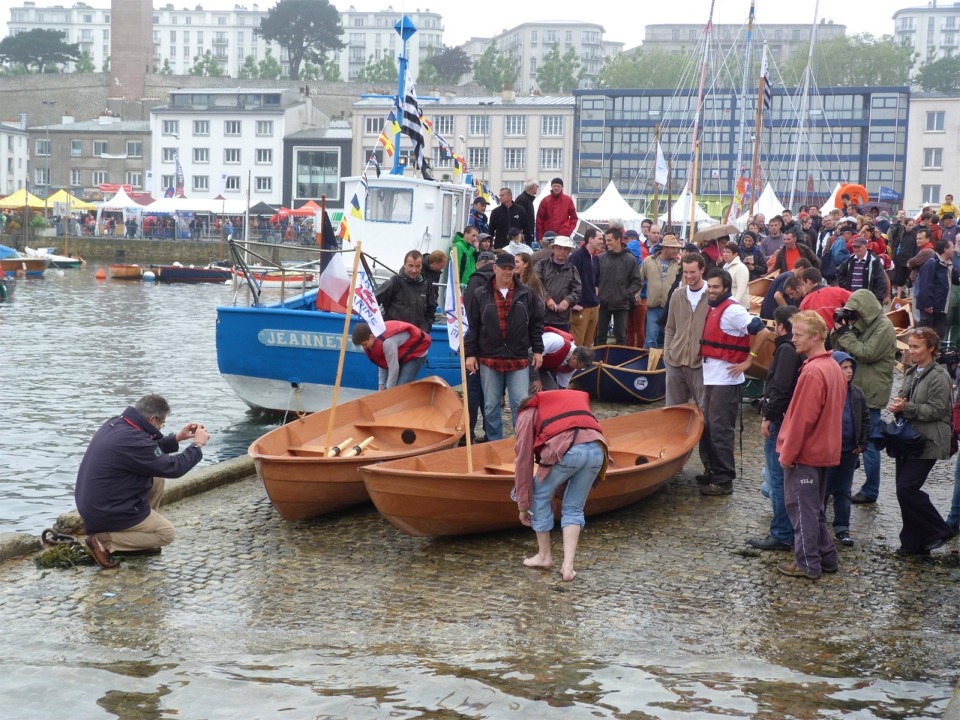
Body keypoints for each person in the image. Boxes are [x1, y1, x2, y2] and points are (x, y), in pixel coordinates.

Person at [75, 395, 209, 568]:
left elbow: (148, 451)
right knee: (166, 534)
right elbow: (174, 468)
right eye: (162, 424)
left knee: (157, 477)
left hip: (99, 502)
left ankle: (138, 539)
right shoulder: (133, 439)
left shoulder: (119, 424)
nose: (161, 427)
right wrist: (197, 445)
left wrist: (177, 437)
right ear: (153, 419)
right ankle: (103, 540)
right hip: (108, 510)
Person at [775, 311, 847, 580]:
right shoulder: (832, 367)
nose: (792, 339)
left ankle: (807, 563)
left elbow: (801, 420)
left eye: (798, 335)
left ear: (816, 336)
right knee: (814, 509)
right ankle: (826, 558)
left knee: (801, 509)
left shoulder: (813, 372)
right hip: (824, 449)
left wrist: (788, 453)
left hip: (806, 453)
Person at [513, 389, 608, 582]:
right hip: (599, 449)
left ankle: (544, 556)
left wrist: (523, 503)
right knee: (573, 507)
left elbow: (523, 460)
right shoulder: (562, 405)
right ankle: (568, 567)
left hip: (569, 451)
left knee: (538, 495)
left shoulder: (525, 414)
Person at [697, 268, 769, 496]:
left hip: (726, 380)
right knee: (707, 427)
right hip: (712, 376)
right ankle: (711, 469)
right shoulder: (714, 307)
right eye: (709, 286)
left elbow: (763, 332)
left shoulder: (733, 311)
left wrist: (750, 360)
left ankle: (724, 479)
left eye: (716, 287)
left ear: (726, 288)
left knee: (720, 429)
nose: (711, 290)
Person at [888, 327, 958, 555]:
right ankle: (912, 542)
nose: (912, 351)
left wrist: (906, 407)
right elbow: (903, 394)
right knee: (902, 490)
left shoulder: (939, 376)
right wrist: (900, 404)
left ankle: (938, 529)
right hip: (908, 439)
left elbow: (938, 410)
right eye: (910, 346)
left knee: (907, 487)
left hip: (929, 440)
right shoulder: (912, 371)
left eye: (916, 347)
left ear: (931, 348)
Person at [464, 252, 545, 441]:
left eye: (511, 269)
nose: (508, 272)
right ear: (495, 269)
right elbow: (473, 327)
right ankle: (494, 442)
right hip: (489, 357)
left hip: (518, 357)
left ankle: (523, 442)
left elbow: (536, 324)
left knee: (521, 404)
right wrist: (470, 354)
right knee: (491, 405)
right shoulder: (480, 294)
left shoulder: (526, 293)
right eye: (504, 269)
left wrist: (538, 350)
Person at [829, 290, 897, 505]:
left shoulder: (884, 327)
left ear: (865, 309)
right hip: (855, 389)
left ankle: (870, 490)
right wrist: (839, 328)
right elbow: (838, 349)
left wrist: (846, 334)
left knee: (869, 444)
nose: (854, 316)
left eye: (856, 312)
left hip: (872, 391)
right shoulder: (862, 323)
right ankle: (837, 484)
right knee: (846, 437)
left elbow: (866, 352)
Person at [748, 306, 802, 552]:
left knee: (777, 478)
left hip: (780, 420)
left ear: (781, 327)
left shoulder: (786, 350)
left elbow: (780, 387)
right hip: (787, 417)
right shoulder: (794, 349)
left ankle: (782, 533)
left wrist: (768, 415)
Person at [824, 352, 871, 548]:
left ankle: (842, 527)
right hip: (828, 452)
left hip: (849, 452)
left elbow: (865, 418)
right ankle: (814, 526)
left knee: (844, 491)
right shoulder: (827, 391)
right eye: (844, 368)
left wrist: (862, 444)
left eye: (851, 367)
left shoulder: (857, 394)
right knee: (823, 490)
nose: (849, 371)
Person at [664, 251, 709, 409]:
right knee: (673, 411)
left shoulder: (712, 295)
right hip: (675, 361)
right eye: (686, 272)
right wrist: (667, 355)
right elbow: (670, 327)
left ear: (702, 270)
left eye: (693, 272)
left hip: (700, 364)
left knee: (703, 411)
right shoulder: (677, 295)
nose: (688, 276)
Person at [461, 251, 497, 442]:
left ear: (479, 264)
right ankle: (491, 433)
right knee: (491, 392)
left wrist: (468, 350)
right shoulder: (506, 280)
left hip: (476, 344)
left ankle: (468, 433)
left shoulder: (475, 280)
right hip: (498, 347)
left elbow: (469, 317)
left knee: (473, 390)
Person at [595, 228, 642, 346]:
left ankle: (620, 362)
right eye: (606, 240)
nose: (607, 243)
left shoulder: (630, 259)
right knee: (600, 335)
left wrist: (626, 294)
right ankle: (598, 362)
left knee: (621, 335)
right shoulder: (601, 258)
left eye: (609, 240)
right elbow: (593, 279)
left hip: (621, 304)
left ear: (618, 240)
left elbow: (637, 281)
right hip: (603, 304)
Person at [352, 320, 431, 390]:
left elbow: (393, 368)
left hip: (416, 352)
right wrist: (381, 385)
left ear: (371, 336)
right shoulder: (373, 343)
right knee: (387, 386)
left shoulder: (387, 342)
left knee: (400, 387)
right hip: (400, 353)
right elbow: (382, 363)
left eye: (365, 344)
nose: (364, 347)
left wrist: (389, 391)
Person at [375, 250, 438, 333]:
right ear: (404, 265)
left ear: (421, 266)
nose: (414, 270)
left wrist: (425, 328)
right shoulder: (394, 282)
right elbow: (372, 302)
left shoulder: (427, 285)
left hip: (417, 336)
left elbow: (431, 309)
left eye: (417, 266)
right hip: (394, 333)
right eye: (410, 266)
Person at [639, 233, 682, 348]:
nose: (676, 250)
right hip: (653, 306)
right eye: (673, 247)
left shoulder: (679, 265)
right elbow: (639, 280)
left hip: (671, 307)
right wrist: (637, 296)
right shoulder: (649, 261)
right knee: (651, 339)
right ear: (665, 248)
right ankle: (648, 363)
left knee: (668, 339)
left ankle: (664, 364)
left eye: (677, 248)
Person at [535, 235, 581, 332]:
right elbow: (535, 285)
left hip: (562, 320)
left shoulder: (572, 269)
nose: (562, 251)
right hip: (541, 317)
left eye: (566, 249)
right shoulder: (541, 265)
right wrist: (547, 299)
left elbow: (577, 290)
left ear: (569, 252)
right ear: (553, 248)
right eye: (560, 248)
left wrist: (568, 301)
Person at [529, 327, 594, 392]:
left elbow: (562, 387)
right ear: (574, 357)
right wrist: (535, 379)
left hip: (540, 367)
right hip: (526, 357)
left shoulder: (573, 365)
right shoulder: (557, 342)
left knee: (553, 391)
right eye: (577, 367)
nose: (576, 369)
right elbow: (531, 354)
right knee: (533, 389)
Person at [915, 239, 957, 339]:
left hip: (941, 309)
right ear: (945, 249)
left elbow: (955, 279)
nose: (954, 250)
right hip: (930, 310)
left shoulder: (948, 264)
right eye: (952, 247)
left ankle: (936, 354)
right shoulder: (931, 263)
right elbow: (924, 285)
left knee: (939, 335)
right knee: (926, 337)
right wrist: (927, 304)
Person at [569, 227, 602, 348]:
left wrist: (595, 297)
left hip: (593, 306)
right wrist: (573, 303)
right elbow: (569, 280)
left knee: (589, 344)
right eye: (600, 238)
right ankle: (575, 368)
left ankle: (587, 367)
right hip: (580, 307)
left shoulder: (596, 258)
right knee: (577, 345)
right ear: (591, 239)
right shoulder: (577, 256)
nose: (602, 241)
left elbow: (597, 280)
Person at [837, 236, 887, 305]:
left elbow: (881, 282)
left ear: (866, 246)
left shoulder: (874, 261)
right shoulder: (850, 260)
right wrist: (846, 285)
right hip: (851, 298)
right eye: (854, 247)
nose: (856, 249)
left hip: (867, 300)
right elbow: (838, 272)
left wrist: (877, 300)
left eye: (859, 247)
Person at [722, 240, 750, 307]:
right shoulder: (725, 267)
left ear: (735, 254)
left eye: (728, 252)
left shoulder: (741, 268)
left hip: (739, 307)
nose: (725, 254)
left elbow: (741, 290)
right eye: (724, 252)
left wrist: (734, 305)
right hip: (727, 304)